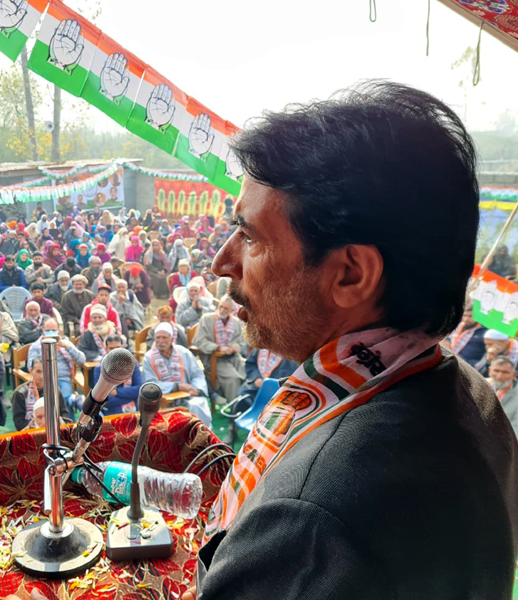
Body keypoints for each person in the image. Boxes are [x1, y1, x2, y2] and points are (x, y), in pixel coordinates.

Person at [190, 82, 518, 600]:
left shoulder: (305, 523)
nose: (221, 262)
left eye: (251, 237)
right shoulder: (467, 392)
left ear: (350, 273)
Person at [142, 323, 212, 428]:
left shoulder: (184, 352)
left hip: (188, 396)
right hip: (163, 400)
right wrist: (177, 387)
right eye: (158, 338)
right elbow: (150, 384)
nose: (161, 341)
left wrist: (197, 389)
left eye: (164, 337)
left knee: (196, 405)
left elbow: (197, 374)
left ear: (171, 338)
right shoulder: (149, 357)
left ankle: (204, 440)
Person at [193, 296, 247, 405]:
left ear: (232, 310)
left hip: (233, 357)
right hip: (214, 359)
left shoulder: (236, 322)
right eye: (220, 307)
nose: (222, 310)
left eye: (226, 308)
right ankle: (234, 409)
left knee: (248, 372)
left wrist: (235, 346)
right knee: (233, 379)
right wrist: (218, 347)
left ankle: (247, 406)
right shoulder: (207, 319)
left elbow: (242, 342)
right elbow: (199, 341)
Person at [28, 317, 85, 408]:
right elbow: (30, 365)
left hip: (63, 378)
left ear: (58, 330)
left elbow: (82, 359)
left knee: (63, 399)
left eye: (53, 330)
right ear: (43, 330)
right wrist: (45, 349)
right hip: (45, 379)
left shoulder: (65, 343)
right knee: (57, 400)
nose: (51, 332)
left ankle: (69, 418)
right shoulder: (35, 346)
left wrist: (67, 347)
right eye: (48, 330)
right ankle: (73, 400)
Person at [12, 358, 70, 431]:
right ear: (31, 371)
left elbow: (64, 414)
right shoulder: (20, 393)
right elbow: (19, 423)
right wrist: (37, 428)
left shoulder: (55, 391)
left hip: (54, 431)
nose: (42, 376)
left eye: (44, 371)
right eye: (38, 372)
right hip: (30, 433)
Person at [93, 334, 143, 415]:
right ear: (106, 349)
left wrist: (116, 392)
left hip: (135, 407)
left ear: (123, 347)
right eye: (111, 348)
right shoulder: (99, 368)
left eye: (117, 348)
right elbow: (102, 399)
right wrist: (130, 397)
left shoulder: (133, 363)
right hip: (112, 409)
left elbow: (139, 389)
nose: (115, 351)